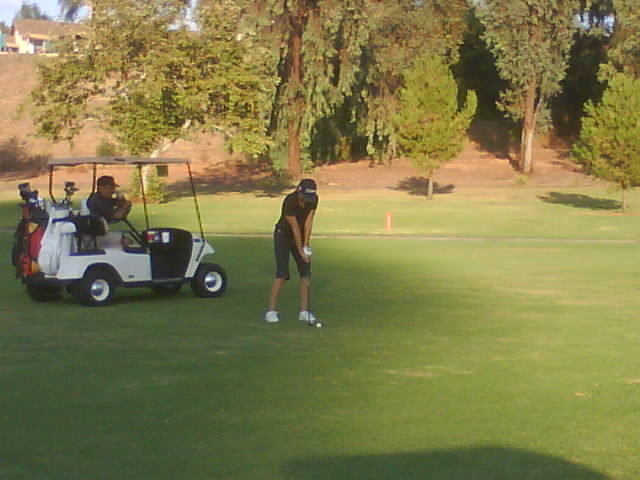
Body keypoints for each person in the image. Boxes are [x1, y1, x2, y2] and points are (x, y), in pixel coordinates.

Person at [265, 178, 319, 324]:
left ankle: (304, 312)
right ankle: (271, 311)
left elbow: (308, 222)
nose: (307, 200)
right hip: (283, 236)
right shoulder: (290, 201)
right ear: (299, 191)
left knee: (305, 272)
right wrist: (301, 251)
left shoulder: (313, 200)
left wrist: (306, 246)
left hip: (299, 236)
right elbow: (294, 228)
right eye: (305, 196)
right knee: (282, 273)